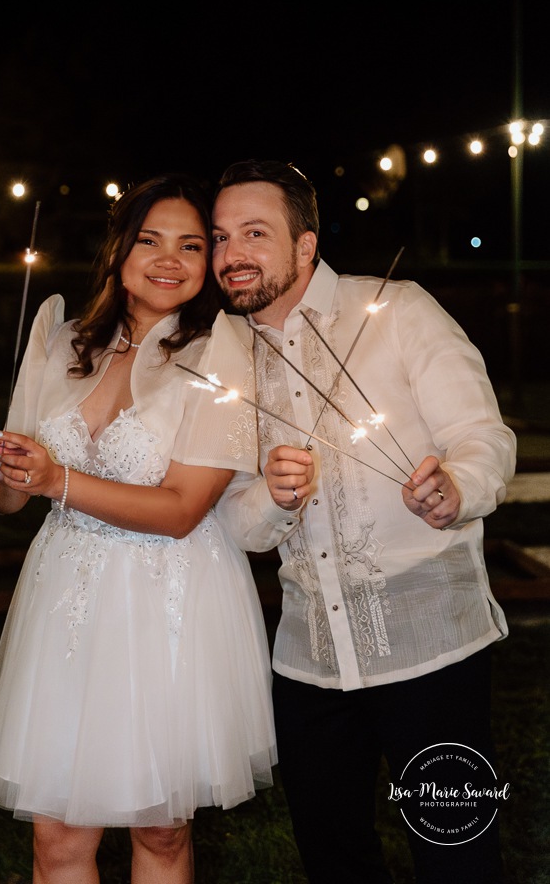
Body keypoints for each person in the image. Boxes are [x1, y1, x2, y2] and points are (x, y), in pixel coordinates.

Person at [0, 173, 301, 884]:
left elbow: (181, 510)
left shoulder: (222, 356)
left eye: (190, 244)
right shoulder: (61, 343)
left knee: (160, 830)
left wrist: (57, 479)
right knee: (55, 839)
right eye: (149, 240)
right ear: (119, 251)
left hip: (169, 600)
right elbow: (10, 505)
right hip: (65, 600)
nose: (169, 258)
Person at [211, 159, 517, 884]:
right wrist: (272, 499)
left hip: (433, 645)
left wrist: (456, 485)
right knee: (333, 859)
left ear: (306, 244)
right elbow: (232, 521)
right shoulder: (219, 356)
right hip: (307, 663)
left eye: (255, 233)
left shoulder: (397, 308)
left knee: (457, 853)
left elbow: (482, 435)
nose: (231, 255)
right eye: (221, 237)